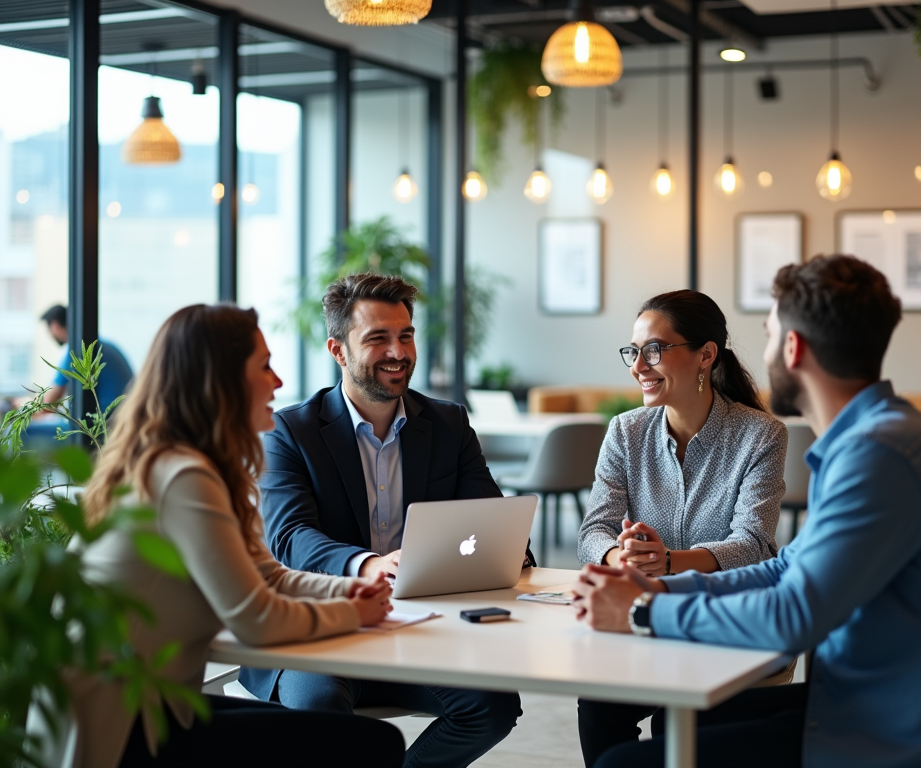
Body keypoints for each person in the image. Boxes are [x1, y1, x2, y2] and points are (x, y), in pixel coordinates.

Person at [573, 254, 921, 768]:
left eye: (771, 332)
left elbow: (792, 615)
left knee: (625, 763)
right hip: (865, 698)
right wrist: (661, 587)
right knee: (669, 728)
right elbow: (784, 568)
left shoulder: (879, 455)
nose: (765, 349)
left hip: (892, 729)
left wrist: (644, 611)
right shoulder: (874, 439)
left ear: (794, 348)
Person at [51, 304, 405, 768]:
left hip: (154, 703)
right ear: (218, 381)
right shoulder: (181, 476)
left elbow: (269, 577)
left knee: (344, 736)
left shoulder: (191, 467)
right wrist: (351, 612)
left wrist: (349, 588)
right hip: (120, 727)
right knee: (372, 744)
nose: (278, 382)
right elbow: (254, 620)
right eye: (263, 366)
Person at [239, 273, 525, 768]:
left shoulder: (448, 423)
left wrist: (507, 549)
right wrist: (366, 564)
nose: (398, 351)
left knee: (492, 707)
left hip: (418, 628)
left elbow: (489, 518)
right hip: (320, 630)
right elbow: (288, 537)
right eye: (377, 338)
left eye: (406, 335)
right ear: (338, 349)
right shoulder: (291, 431)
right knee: (321, 710)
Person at [575, 289, 787, 766]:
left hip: (725, 620)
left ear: (705, 355)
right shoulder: (626, 432)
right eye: (634, 351)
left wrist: (668, 560)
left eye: (654, 350)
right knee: (599, 704)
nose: (638, 365)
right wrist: (620, 556)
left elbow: (753, 545)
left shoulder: (761, 435)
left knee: (680, 722)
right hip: (641, 616)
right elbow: (594, 531)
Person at [40, 304, 134, 414]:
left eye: (48, 329)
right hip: (125, 417)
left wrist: (25, 405)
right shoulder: (101, 345)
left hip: (103, 422)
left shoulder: (77, 351)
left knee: (29, 428)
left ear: (55, 326)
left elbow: (49, 404)